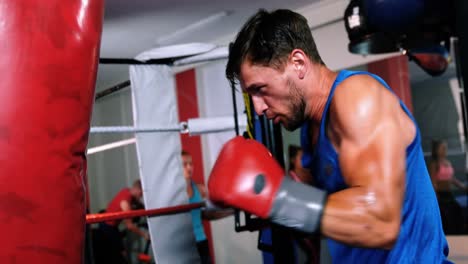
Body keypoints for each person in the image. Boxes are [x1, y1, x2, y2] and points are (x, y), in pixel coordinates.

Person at [207, 9, 451, 263]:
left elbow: (382, 221)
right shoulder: (310, 129)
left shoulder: (357, 97)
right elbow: (336, 215)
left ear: (298, 63)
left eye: (260, 89)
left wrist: (278, 198)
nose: (258, 108)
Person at [182, 150, 232, 264]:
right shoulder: (174, 194)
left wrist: (233, 212)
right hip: (184, 245)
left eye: (191, 163)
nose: (189, 167)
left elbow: (206, 215)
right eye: (184, 164)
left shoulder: (200, 189)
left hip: (201, 241)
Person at [95, 179, 149, 264]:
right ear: (137, 189)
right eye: (141, 193)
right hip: (108, 227)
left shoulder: (126, 191)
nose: (141, 195)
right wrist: (144, 235)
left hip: (110, 225)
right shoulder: (125, 202)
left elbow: (136, 202)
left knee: (120, 251)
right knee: (121, 254)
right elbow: (129, 226)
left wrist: (146, 208)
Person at [428, 139, 467, 234]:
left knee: (457, 213)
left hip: (449, 194)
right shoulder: (434, 164)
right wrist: (436, 197)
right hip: (440, 196)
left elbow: (451, 178)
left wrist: (463, 187)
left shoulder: (447, 162)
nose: (445, 150)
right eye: (443, 148)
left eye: (446, 148)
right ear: (436, 150)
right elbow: (433, 182)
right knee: (446, 218)